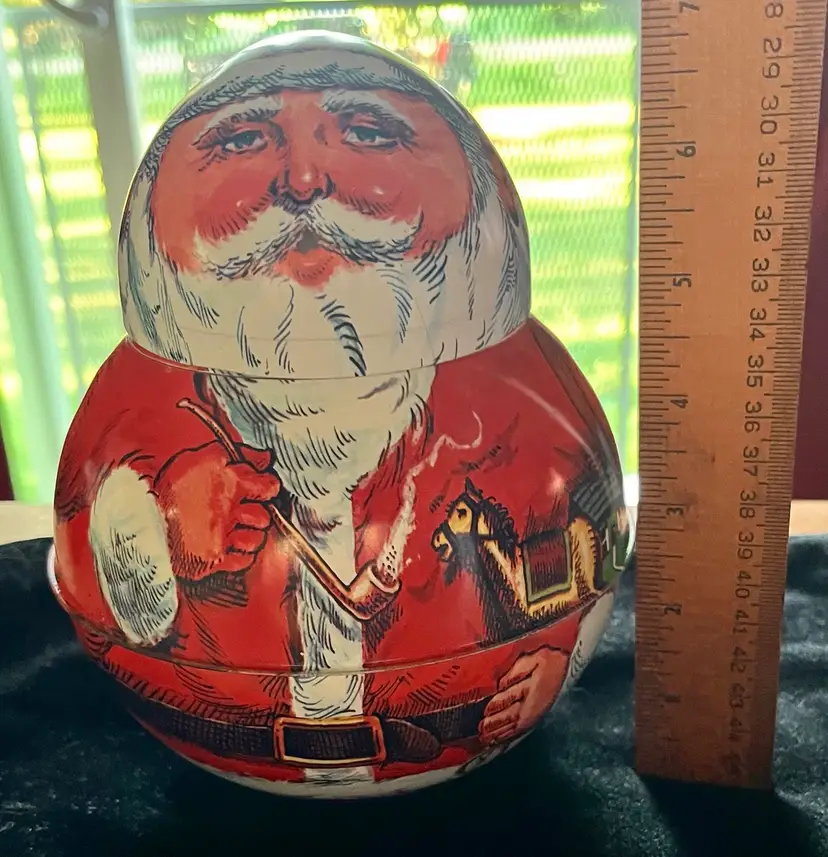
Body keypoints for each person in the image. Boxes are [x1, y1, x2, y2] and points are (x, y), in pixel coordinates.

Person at [53, 35, 628, 797]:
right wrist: (149, 528)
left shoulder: (518, 404)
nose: (302, 181)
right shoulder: (147, 406)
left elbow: (578, 535)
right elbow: (89, 541)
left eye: (367, 132)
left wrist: (557, 651)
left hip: (463, 760)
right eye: (244, 139)